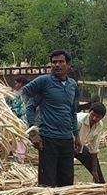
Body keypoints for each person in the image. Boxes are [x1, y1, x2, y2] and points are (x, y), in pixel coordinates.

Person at [21, 50, 80, 187]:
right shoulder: (44, 81)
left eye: (61, 62)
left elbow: (72, 112)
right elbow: (26, 103)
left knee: (66, 181)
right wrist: (33, 132)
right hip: (48, 140)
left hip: (66, 139)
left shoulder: (72, 85)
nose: (57, 65)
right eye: (54, 62)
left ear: (68, 65)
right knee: (47, 182)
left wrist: (76, 136)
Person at [8, 77, 29, 163]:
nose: (15, 85)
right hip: (22, 123)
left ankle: (18, 161)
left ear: (20, 84)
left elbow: (15, 111)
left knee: (18, 141)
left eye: (16, 83)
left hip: (18, 123)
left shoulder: (18, 95)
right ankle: (18, 159)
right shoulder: (22, 93)